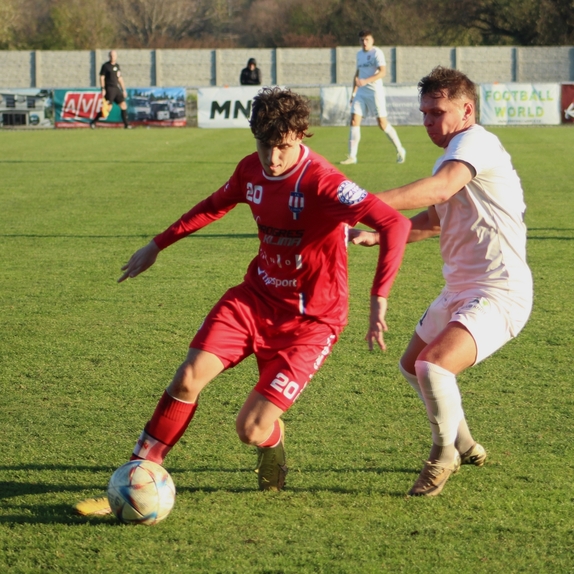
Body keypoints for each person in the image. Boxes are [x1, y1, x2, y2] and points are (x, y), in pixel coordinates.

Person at [73, 87, 411, 516]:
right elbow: (214, 205)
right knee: (188, 377)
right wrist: (159, 244)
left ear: (302, 137)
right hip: (253, 299)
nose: (273, 158)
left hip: (311, 323)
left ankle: (272, 443)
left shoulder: (324, 181)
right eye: (265, 146)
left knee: (251, 429)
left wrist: (379, 297)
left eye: (283, 148)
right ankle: (137, 474)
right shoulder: (251, 171)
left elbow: (394, 223)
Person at [350, 66, 533, 496]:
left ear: (466, 110)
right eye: (424, 113)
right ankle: (465, 444)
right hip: (460, 290)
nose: (428, 121)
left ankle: (442, 454)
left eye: (436, 112)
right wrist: (380, 234)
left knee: (433, 366)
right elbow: (433, 220)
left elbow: (438, 190)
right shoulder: (453, 152)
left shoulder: (476, 143)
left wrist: (357, 203)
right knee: (413, 366)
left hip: (499, 291)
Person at [341, 29, 405, 165]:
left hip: (375, 92)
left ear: (372, 40)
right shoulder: (359, 54)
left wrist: (366, 81)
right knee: (353, 121)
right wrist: (353, 93)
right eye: (362, 40)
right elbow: (357, 75)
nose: (364, 42)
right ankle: (352, 156)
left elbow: (383, 72)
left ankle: (400, 149)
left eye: (367, 40)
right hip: (361, 93)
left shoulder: (377, 53)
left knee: (382, 124)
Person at [90, 50, 130, 129]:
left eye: (114, 56)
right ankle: (93, 122)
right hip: (109, 89)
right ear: (109, 56)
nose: (113, 57)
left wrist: (123, 89)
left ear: (116, 56)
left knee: (123, 105)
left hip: (116, 89)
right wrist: (103, 88)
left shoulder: (117, 66)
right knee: (108, 108)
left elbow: (120, 78)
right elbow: (102, 77)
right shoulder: (105, 66)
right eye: (111, 56)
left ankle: (126, 125)